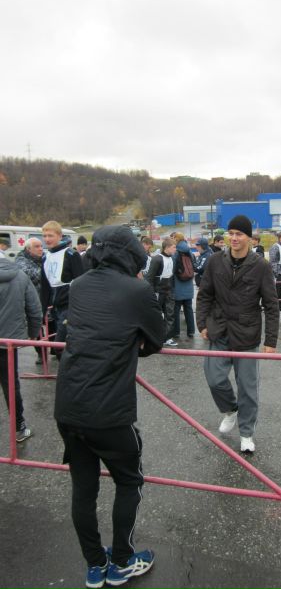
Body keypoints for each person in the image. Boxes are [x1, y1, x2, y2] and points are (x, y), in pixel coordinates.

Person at [54, 225, 165, 588]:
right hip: (109, 411)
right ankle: (121, 562)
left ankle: (95, 565)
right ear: (131, 254)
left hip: (68, 405)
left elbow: (77, 330)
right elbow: (158, 338)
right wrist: (135, 344)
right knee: (130, 480)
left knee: (83, 489)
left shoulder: (79, 284)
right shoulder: (137, 289)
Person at [196, 215, 279, 453]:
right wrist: (202, 324)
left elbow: (271, 305)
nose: (233, 238)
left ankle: (246, 433)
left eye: (239, 234)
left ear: (249, 238)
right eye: (230, 233)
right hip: (219, 330)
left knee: (248, 389)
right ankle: (230, 409)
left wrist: (270, 340)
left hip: (246, 334)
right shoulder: (215, 261)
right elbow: (205, 294)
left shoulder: (261, 266)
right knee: (214, 378)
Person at [0, 254, 42, 442]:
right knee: (10, 384)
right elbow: (34, 309)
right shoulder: (20, 275)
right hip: (8, 341)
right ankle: (19, 426)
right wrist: (33, 333)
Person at [41, 221, 84, 356]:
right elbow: (45, 286)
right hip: (55, 307)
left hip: (69, 305)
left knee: (59, 345)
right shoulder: (45, 257)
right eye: (45, 236)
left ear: (59, 236)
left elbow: (80, 280)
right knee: (62, 346)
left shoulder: (71, 254)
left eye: (50, 236)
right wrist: (42, 310)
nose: (47, 239)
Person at [15, 238, 44, 364]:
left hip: (46, 298)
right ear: (28, 249)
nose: (41, 249)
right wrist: (47, 268)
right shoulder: (21, 260)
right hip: (31, 300)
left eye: (41, 246)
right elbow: (33, 275)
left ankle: (53, 349)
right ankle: (41, 353)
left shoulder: (43, 258)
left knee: (52, 326)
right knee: (37, 327)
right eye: (37, 246)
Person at [147, 237, 179, 347]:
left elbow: (171, 275)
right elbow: (149, 277)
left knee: (170, 315)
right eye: (174, 247)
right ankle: (153, 337)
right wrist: (152, 293)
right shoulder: (157, 259)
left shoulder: (172, 258)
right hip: (158, 292)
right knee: (156, 315)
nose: (175, 249)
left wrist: (172, 290)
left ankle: (167, 337)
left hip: (169, 291)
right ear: (167, 247)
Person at [173, 235, 196, 339]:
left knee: (176, 310)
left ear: (177, 239)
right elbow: (194, 266)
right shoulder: (190, 252)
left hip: (178, 286)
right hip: (189, 286)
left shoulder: (175, 253)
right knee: (189, 309)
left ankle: (176, 332)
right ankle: (191, 331)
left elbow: (172, 269)